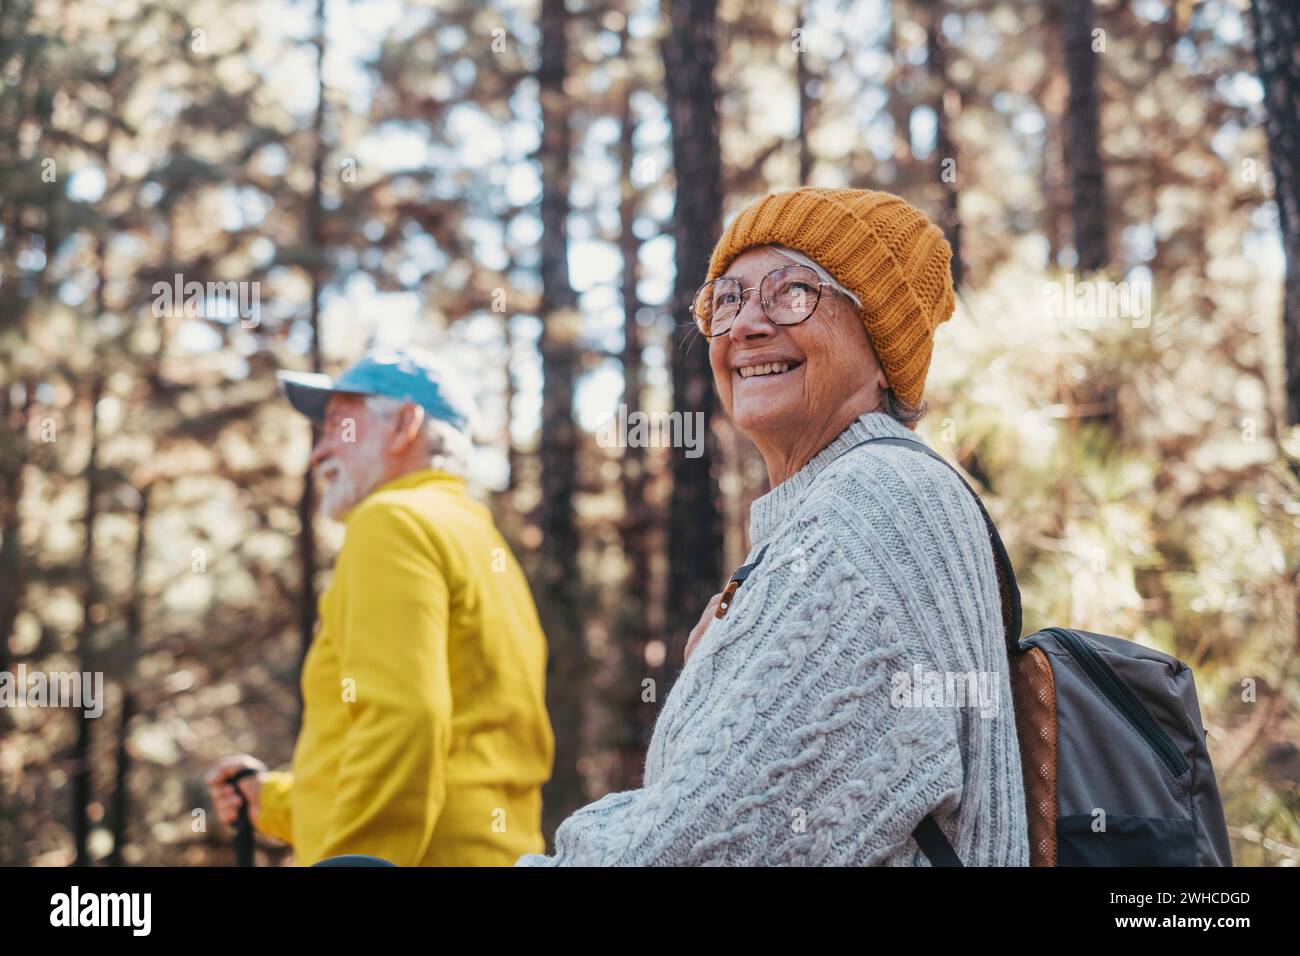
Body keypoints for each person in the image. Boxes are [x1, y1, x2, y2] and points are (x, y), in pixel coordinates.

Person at [517, 187, 1028, 866]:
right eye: (727, 299)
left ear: (882, 351)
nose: (745, 326)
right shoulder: (827, 515)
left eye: (793, 293)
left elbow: (695, 848)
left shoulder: (874, 502)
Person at [207, 347, 554, 866]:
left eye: (337, 426)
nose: (317, 452)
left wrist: (356, 859)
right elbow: (453, 744)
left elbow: (405, 719)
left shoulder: (390, 520)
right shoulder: (482, 539)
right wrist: (273, 801)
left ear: (404, 426)